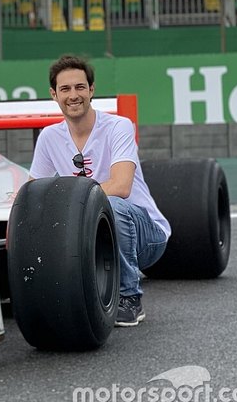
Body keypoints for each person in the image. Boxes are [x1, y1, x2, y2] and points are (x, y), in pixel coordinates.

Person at [28, 54, 171, 327]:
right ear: (54, 94)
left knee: (110, 203)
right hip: (90, 235)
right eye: (65, 89)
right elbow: (36, 194)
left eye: (80, 87)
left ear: (91, 90)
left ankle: (130, 298)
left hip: (145, 237)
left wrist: (69, 202)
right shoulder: (48, 137)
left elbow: (121, 186)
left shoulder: (118, 126)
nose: (73, 95)